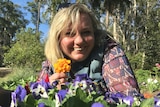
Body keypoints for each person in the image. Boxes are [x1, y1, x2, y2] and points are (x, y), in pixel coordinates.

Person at [38, 3, 140, 96]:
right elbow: (36, 94)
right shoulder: (51, 62)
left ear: (94, 33)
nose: (79, 40)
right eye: (69, 33)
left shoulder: (109, 51)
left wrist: (84, 90)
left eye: (86, 32)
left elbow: (129, 96)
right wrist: (49, 91)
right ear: (57, 38)